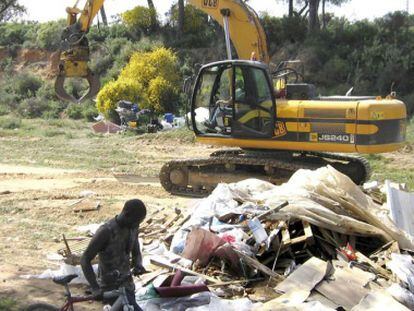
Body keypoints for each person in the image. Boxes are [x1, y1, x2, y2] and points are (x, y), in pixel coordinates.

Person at [80, 199, 147, 310]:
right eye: (135, 222)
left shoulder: (133, 227)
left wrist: (138, 264)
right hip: (110, 289)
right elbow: (85, 259)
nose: (137, 225)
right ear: (126, 214)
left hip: (127, 286)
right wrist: (95, 288)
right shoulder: (106, 231)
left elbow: (136, 249)